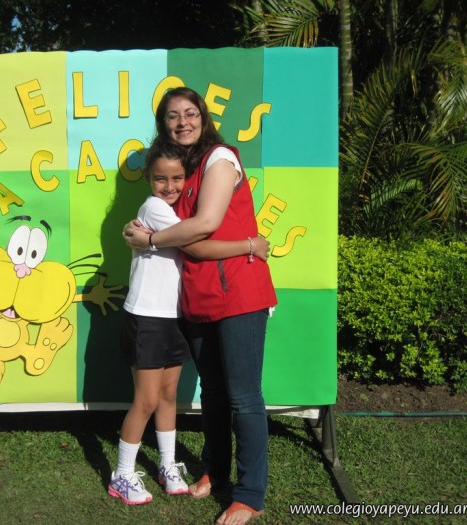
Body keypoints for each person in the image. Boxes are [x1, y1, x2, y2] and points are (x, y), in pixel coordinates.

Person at [122, 87, 277, 525]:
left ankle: (249, 495)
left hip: (239, 292)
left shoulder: (220, 159)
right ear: (163, 125)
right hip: (199, 296)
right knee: (213, 392)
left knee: (244, 397)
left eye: (191, 113)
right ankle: (215, 470)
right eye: (173, 116)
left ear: (204, 118)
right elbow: (181, 232)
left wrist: (150, 239)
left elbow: (204, 227)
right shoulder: (182, 172)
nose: (183, 122)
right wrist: (142, 230)